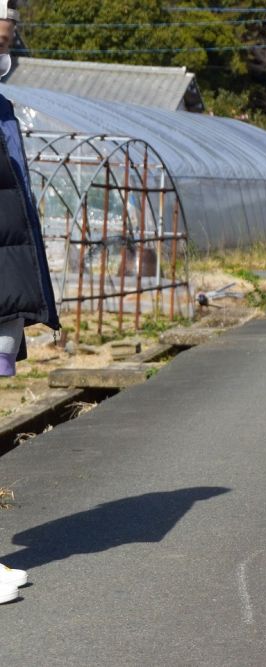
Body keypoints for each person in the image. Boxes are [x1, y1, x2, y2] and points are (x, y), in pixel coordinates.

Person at [0, 0, 61, 602]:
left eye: (10, 37)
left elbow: (17, 217)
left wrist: (33, 302)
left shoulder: (3, 111)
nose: (7, 53)